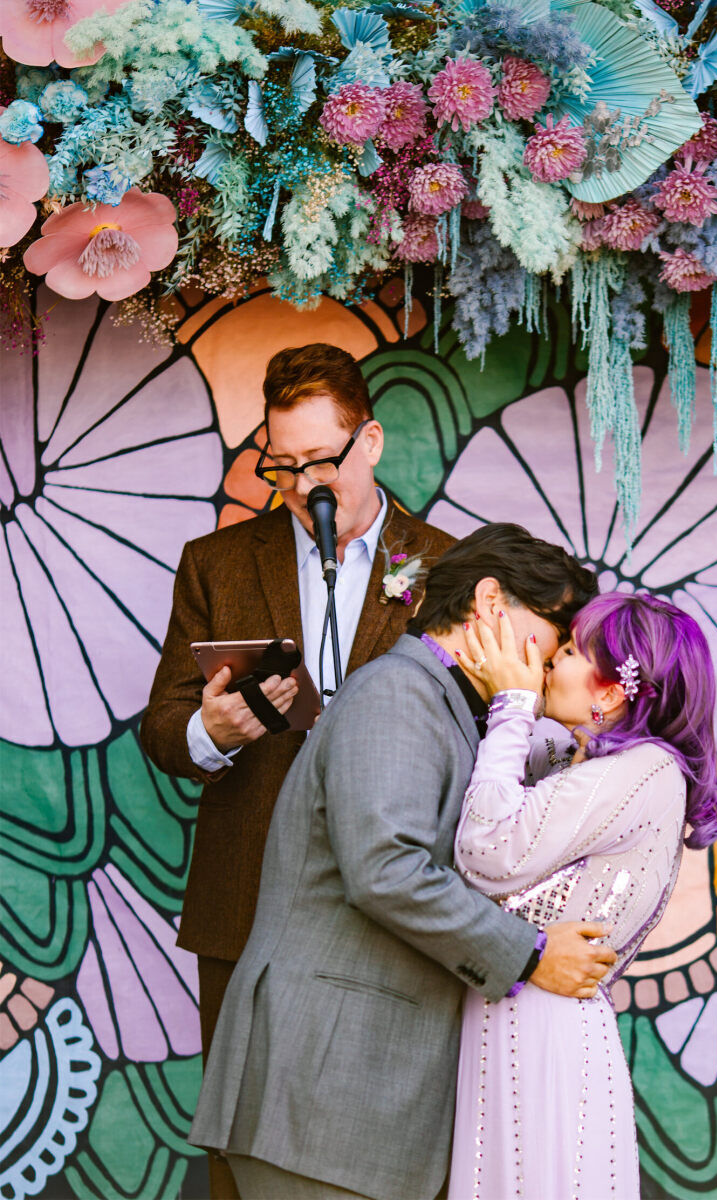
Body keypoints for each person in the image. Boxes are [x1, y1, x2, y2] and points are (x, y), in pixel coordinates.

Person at [188, 523, 618, 1200]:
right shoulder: (397, 693)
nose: (557, 657)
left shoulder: (447, 706)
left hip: (351, 1102)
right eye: (557, 633)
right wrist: (532, 954)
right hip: (323, 1096)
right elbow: (386, 869)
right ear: (489, 604)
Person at [140, 343, 455, 1198]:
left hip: (395, 902)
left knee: (387, 1149)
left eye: (323, 460)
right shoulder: (217, 563)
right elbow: (161, 729)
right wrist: (210, 730)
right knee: (243, 1149)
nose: (306, 485)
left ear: (373, 442)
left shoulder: (450, 567)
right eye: (283, 466)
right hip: (247, 902)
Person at [448, 591, 717, 1199]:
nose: (549, 660)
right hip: (524, 1020)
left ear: (611, 691)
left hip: (542, 1031)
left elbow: (484, 849)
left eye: (571, 651)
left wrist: (514, 704)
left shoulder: (644, 770)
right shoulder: (603, 765)